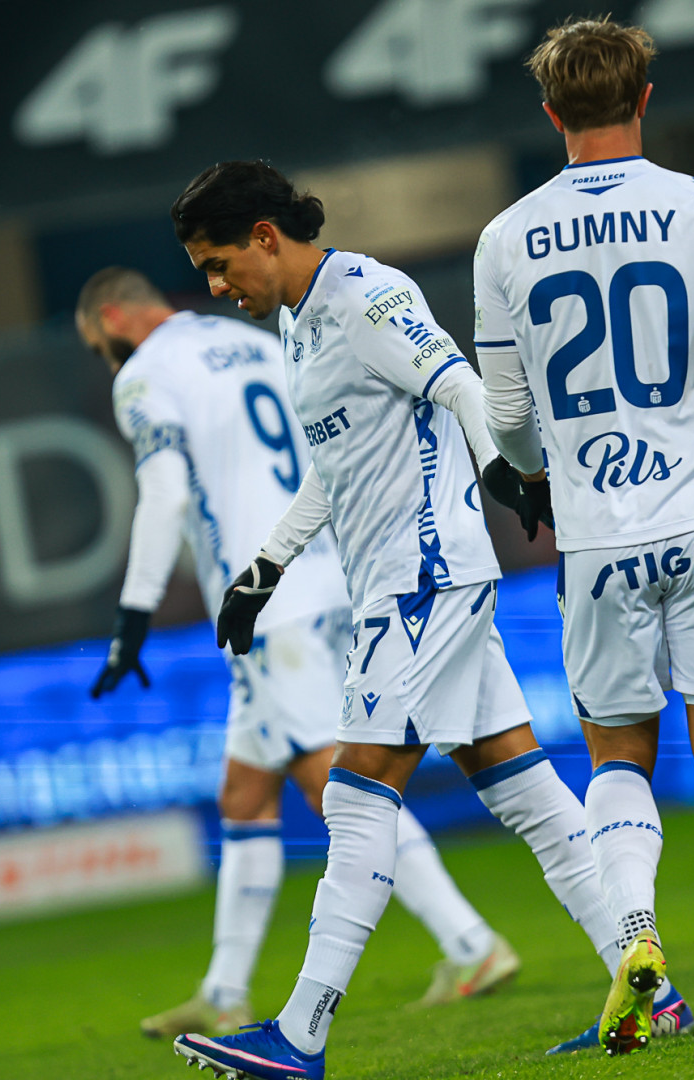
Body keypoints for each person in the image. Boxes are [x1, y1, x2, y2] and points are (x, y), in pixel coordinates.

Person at [165, 161, 694, 1080]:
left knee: (356, 790)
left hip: (423, 581)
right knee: (525, 789)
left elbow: (458, 384)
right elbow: (336, 467)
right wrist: (266, 566)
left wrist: (501, 470)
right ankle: (654, 997)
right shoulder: (299, 321)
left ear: (264, 236)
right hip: (406, 583)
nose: (216, 287)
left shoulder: (366, 297)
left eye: (218, 264)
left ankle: (299, 1035)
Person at [473, 17, 694, 1055]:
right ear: (643, 98)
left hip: (595, 540)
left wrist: (532, 477)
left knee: (617, 756)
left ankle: (636, 934)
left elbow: (506, 415)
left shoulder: (505, 238)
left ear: (551, 113)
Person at [77, 268, 523, 1038]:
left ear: (113, 317)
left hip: (266, 606)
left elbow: (166, 492)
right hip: (334, 574)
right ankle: (224, 991)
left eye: (97, 346)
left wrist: (134, 612)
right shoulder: (252, 342)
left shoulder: (146, 374)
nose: (105, 359)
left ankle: (470, 942)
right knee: (245, 793)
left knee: (341, 785)